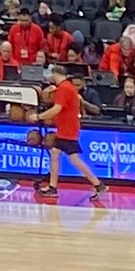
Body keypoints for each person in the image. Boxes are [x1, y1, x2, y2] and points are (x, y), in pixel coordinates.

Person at [40, 67, 104, 199]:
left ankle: (98, 184)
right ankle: (53, 187)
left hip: (68, 129)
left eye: (52, 76)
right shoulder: (66, 87)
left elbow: (57, 108)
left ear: (56, 74)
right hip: (66, 127)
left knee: (73, 159)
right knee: (55, 153)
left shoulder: (64, 88)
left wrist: (39, 116)